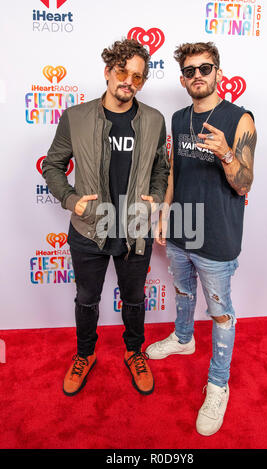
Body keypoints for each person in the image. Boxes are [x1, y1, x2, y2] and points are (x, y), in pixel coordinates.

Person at [42, 38, 169, 397]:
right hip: (88, 230)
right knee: (86, 298)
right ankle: (85, 354)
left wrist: (156, 198)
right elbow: (53, 165)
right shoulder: (76, 117)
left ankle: (134, 352)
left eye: (138, 77)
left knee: (134, 299)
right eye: (122, 72)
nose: (129, 81)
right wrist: (70, 199)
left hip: (134, 231)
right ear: (108, 72)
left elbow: (162, 169)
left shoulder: (155, 120)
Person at [146, 42, 256, 435]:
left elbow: (245, 183)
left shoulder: (239, 119)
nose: (198, 76)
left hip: (218, 239)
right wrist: (163, 215)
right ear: (182, 79)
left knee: (221, 314)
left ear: (218, 74)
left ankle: (218, 384)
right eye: (190, 71)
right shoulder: (178, 119)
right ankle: (183, 338)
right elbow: (174, 173)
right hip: (179, 231)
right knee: (183, 293)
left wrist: (227, 154)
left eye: (205, 68)